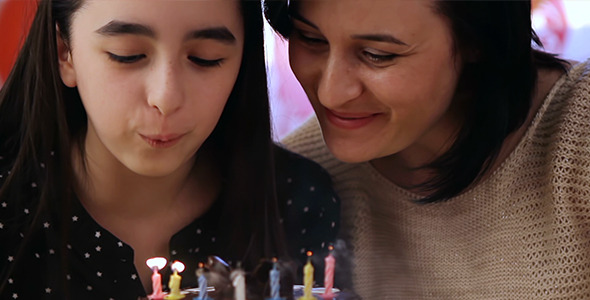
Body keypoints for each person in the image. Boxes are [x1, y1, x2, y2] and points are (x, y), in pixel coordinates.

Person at [0, 0, 339, 298]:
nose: (166, 97)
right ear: (65, 52)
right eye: (127, 55)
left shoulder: (296, 200)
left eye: (206, 59)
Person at [265, 0, 590, 298]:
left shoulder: (577, 137)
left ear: (476, 38)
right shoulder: (298, 181)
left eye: (378, 54)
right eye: (311, 39)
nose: (331, 93)